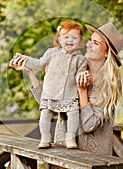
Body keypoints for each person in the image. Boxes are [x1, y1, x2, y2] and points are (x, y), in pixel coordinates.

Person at [10, 22, 123, 156]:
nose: (88, 44)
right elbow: (48, 101)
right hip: (62, 151)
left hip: (93, 157)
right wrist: (30, 73)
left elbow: (89, 125)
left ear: (106, 52)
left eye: (96, 43)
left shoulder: (110, 83)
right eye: (90, 40)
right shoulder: (75, 67)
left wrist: (82, 91)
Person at [10, 20, 87, 149]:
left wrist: (82, 77)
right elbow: (39, 64)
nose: (70, 40)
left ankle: (70, 137)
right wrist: (24, 59)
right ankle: (45, 137)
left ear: (80, 41)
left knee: (73, 113)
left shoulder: (80, 59)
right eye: (66, 37)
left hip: (69, 93)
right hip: (50, 91)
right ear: (59, 39)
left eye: (74, 38)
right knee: (45, 113)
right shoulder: (51, 53)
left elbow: (81, 73)